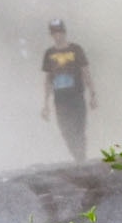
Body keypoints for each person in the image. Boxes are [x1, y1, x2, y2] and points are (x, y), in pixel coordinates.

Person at [39, 20, 95, 163]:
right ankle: (77, 156)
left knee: (79, 128)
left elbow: (85, 72)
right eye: (54, 33)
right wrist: (45, 104)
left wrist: (92, 94)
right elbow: (48, 80)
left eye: (60, 32)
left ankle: (81, 157)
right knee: (65, 129)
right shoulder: (49, 53)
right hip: (60, 99)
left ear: (64, 32)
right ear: (51, 35)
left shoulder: (76, 50)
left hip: (76, 96)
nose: (58, 35)